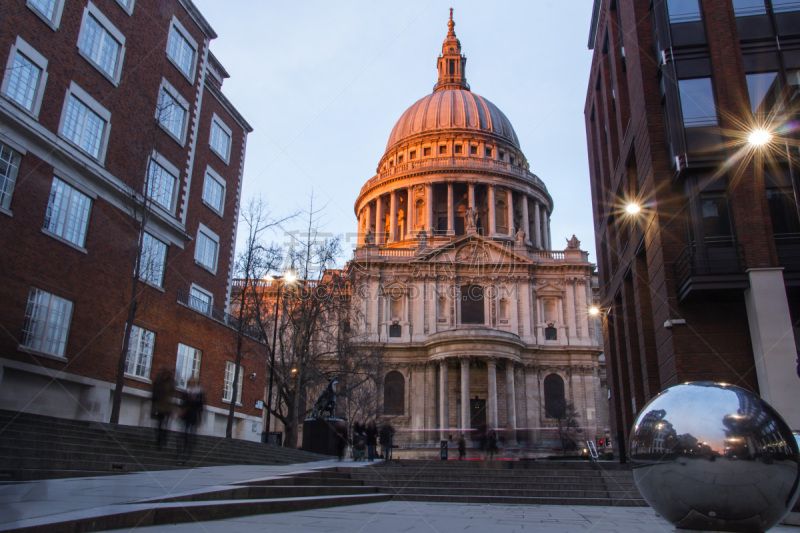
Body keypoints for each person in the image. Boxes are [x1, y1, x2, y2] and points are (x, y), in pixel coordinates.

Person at [178, 377, 204, 456]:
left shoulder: (199, 393)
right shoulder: (186, 392)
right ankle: (185, 448)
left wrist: (200, 415)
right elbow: (182, 403)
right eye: (191, 382)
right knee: (185, 431)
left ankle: (190, 449)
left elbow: (200, 405)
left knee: (192, 432)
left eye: (194, 383)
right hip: (186, 415)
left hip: (194, 415)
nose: (192, 384)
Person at [151, 368, 174, 448]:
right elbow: (154, 394)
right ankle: (160, 440)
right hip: (159, 406)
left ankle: (163, 439)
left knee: (164, 424)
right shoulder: (159, 382)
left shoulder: (170, 382)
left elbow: (171, 390)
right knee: (160, 424)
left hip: (166, 407)